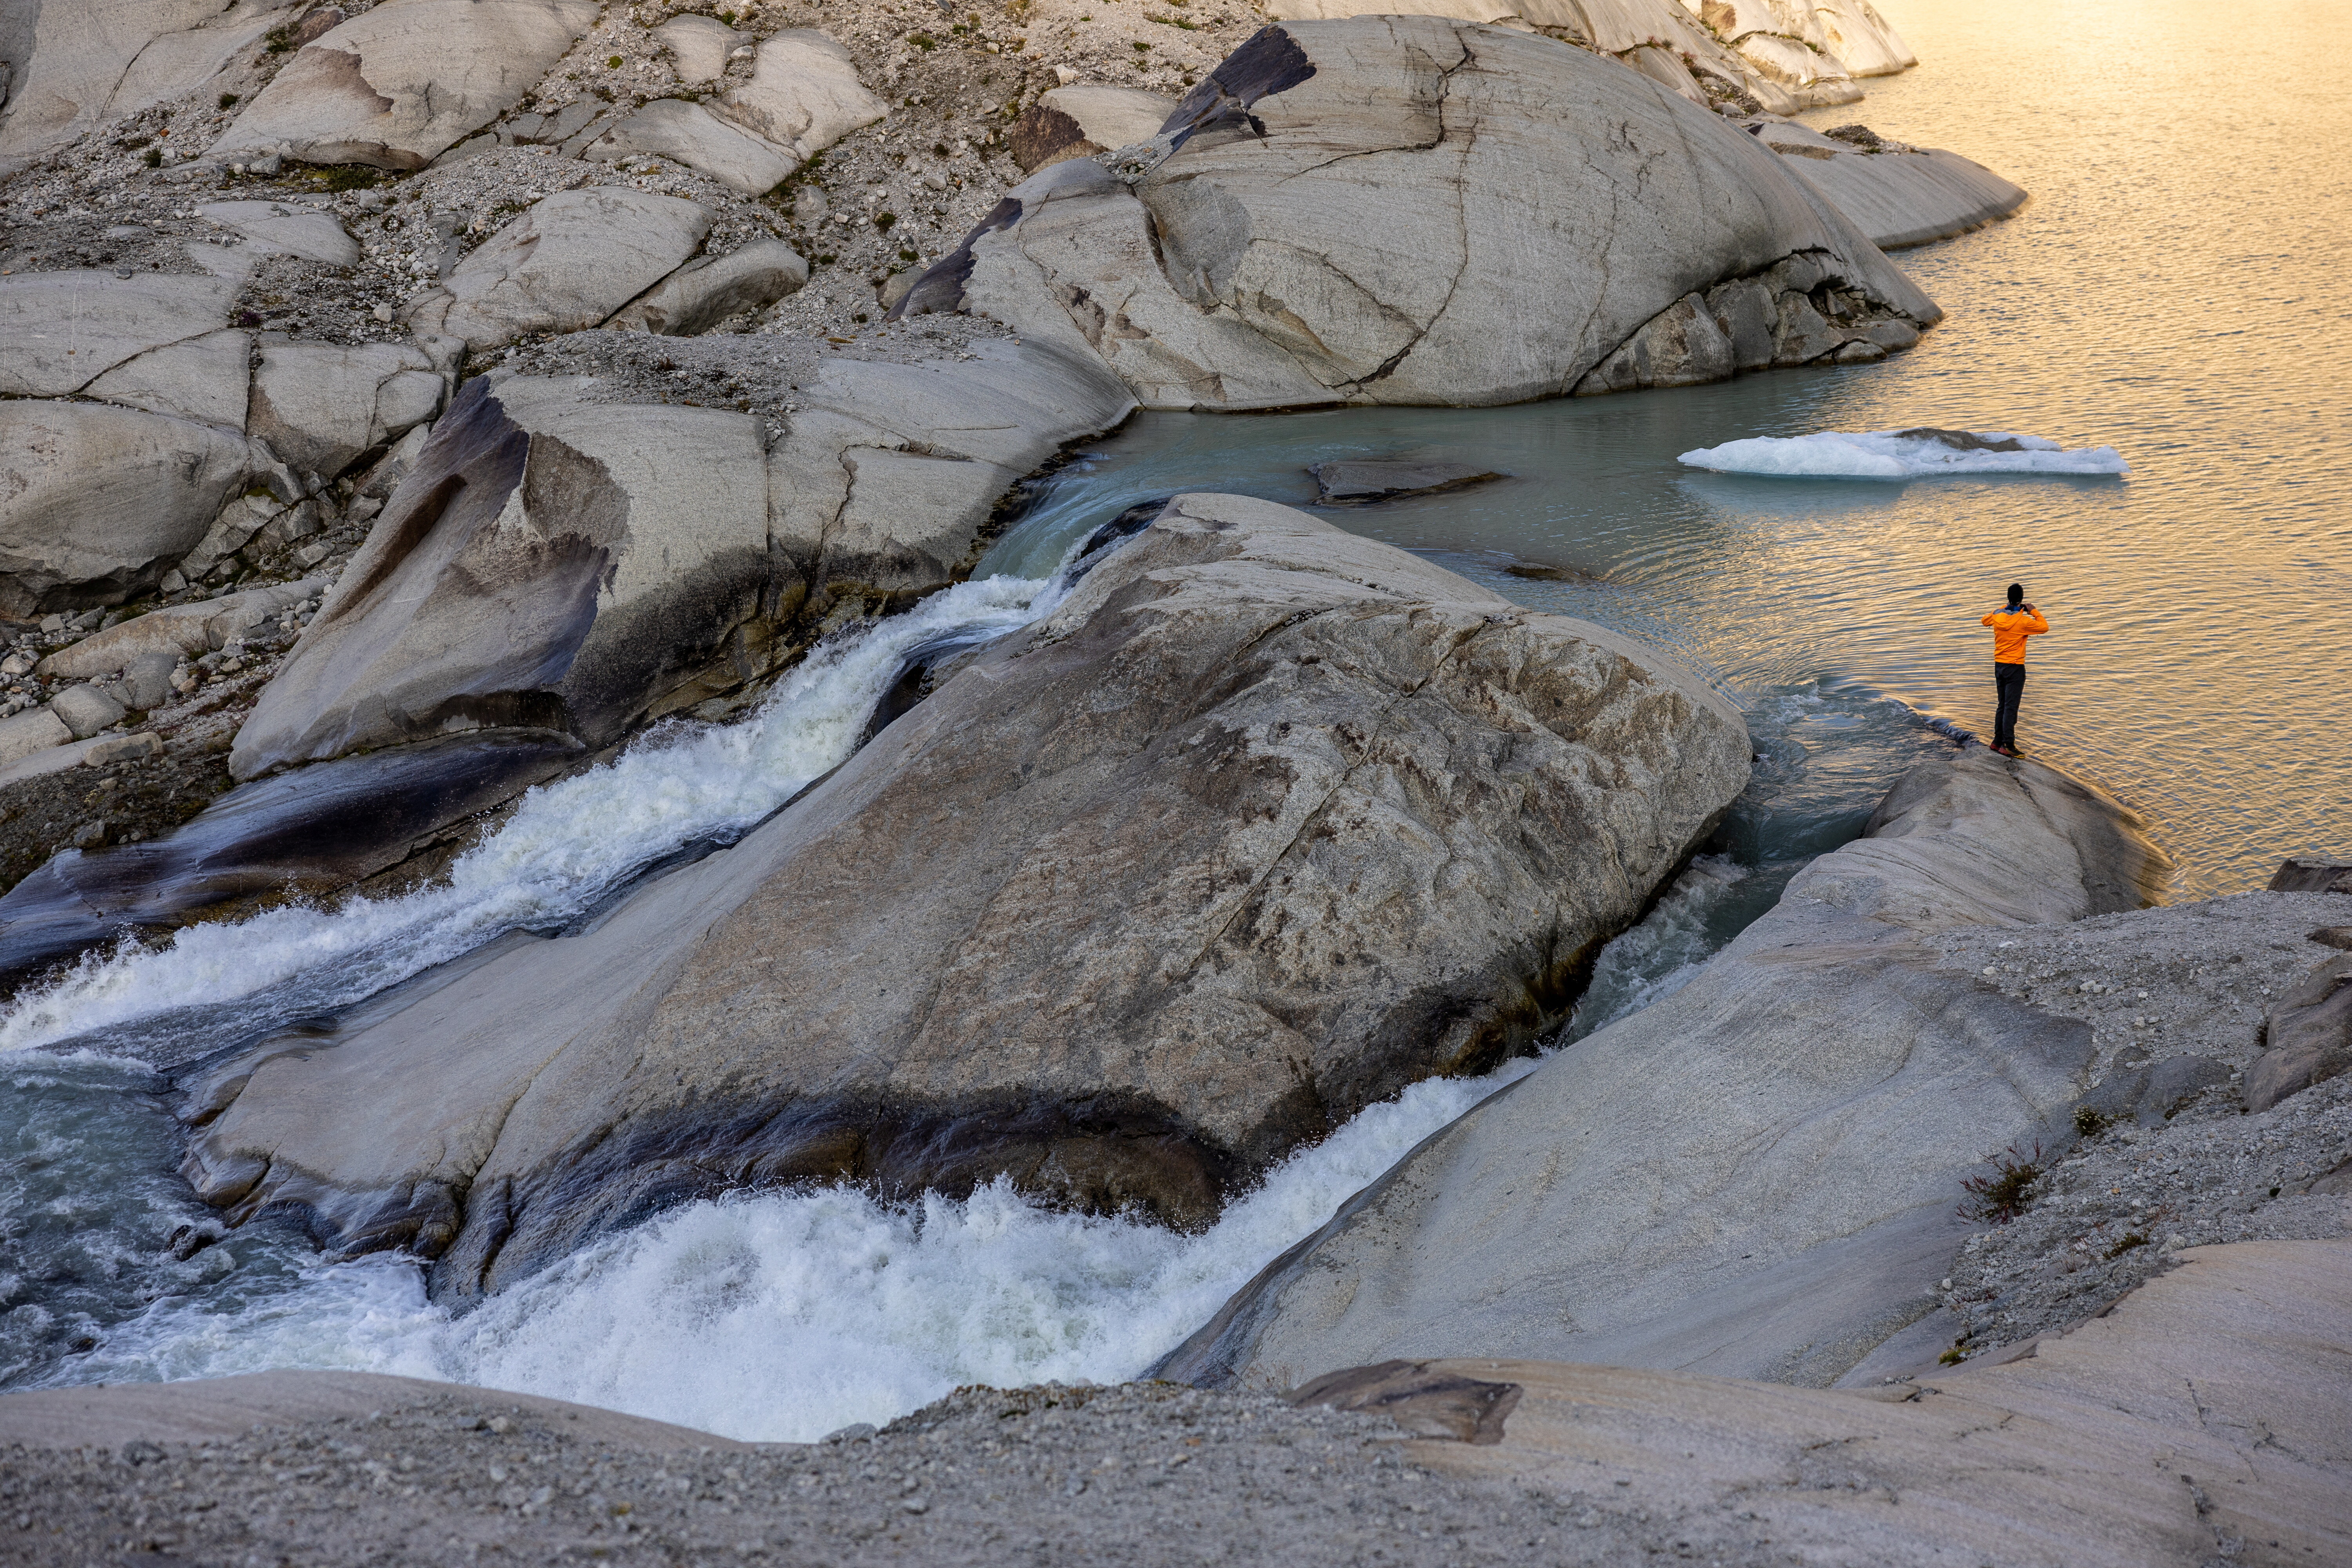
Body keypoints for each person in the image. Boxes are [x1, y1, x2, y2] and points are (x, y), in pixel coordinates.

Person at [1980, 584, 2048, 757]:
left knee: (2002, 705)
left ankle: (1997, 742)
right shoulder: (2024, 621)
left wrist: (2006, 608)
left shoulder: (1997, 615)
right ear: (2022, 600)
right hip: (2015, 667)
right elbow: (2044, 627)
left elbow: (1984, 620)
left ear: (2008, 598)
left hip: (1999, 666)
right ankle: (2008, 745)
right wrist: (2033, 611)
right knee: (2011, 707)